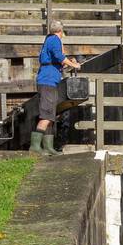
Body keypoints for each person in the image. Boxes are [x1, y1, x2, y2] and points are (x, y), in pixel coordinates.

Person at [33, 19, 80, 154]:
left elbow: (57, 61)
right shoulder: (54, 39)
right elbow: (59, 57)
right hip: (47, 81)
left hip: (51, 80)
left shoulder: (50, 40)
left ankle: (48, 147)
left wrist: (68, 62)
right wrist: (74, 65)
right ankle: (35, 147)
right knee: (47, 115)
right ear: (61, 31)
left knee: (51, 116)